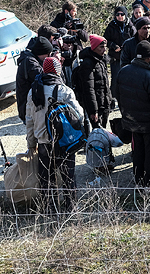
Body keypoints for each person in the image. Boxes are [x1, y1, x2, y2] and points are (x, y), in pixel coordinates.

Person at [26, 56, 85, 213]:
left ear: (44, 70)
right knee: (68, 177)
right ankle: (70, 208)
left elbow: (29, 120)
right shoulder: (65, 91)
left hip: (44, 142)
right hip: (64, 142)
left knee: (46, 180)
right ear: (58, 71)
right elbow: (79, 115)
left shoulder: (33, 92)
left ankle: (49, 209)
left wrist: (31, 143)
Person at [115, 40, 150, 187]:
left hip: (132, 123)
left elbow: (118, 96)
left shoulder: (123, 71)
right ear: (149, 57)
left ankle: (138, 181)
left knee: (137, 152)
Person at [16, 36, 56, 124]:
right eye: (48, 54)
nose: (49, 56)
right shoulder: (30, 63)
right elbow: (47, 78)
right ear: (40, 53)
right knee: (37, 136)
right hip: (30, 110)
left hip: (31, 107)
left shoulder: (30, 59)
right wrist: (55, 63)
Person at [77, 35, 112, 129]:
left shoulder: (101, 60)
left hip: (104, 103)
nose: (104, 49)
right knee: (98, 134)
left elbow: (105, 84)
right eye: (101, 47)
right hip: (96, 106)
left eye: (105, 46)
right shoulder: (87, 64)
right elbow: (88, 89)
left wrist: (109, 99)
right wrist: (93, 111)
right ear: (94, 47)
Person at [103, 6, 136, 99]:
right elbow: (105, 40)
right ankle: (113, 98)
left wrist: (127, 47)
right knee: (115, 79)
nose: (120, 16)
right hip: (115, 57)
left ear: (125, 15)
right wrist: (113, 46)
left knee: (129, 78)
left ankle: (129, 97)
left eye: (122, 14)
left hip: (128, 57)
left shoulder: (131, 26)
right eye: (117, 14)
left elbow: (135, 40)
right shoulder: (111, 26)